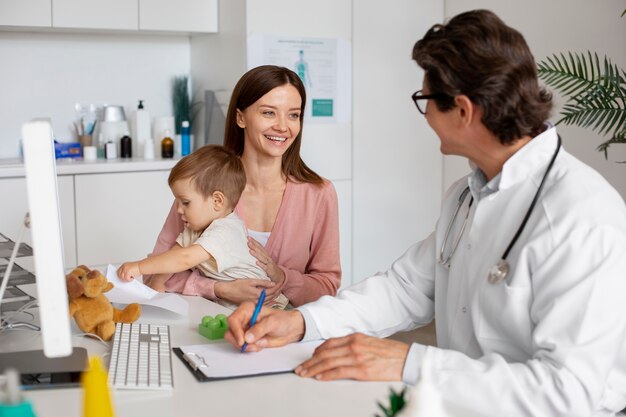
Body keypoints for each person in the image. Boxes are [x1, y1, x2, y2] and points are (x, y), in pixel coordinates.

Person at [225, 10, 626, 417]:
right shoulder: (467, 195)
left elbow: (568, 392)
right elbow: (405, 288)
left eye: (426, 101)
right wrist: (302, 324)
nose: (427, 116)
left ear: (464, 111)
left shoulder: (582, 215)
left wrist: (409, 362)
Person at [146, 65, 341, 308]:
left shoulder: (319, 194)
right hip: (210, 334)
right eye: (269, 113)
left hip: (284, 337)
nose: (283, 126)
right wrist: (220, 289)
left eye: (293, 115)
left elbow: (327, 285)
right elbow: (156, 271)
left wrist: (284, 279)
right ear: (240, 117)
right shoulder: (203, 184)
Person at [117, 145, 288, 309]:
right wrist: (156, 285)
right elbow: (172, 257)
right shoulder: (194, 229)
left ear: (217, 201)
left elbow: (184, 259)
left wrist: (139, 267)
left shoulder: (226, 230)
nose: (178, 210)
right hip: (230, 307)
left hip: (265, 306)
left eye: (185, 202)